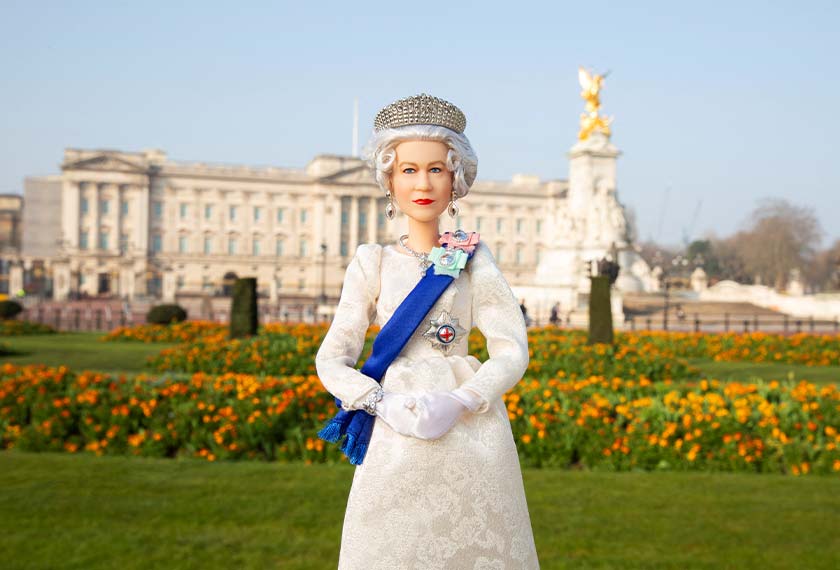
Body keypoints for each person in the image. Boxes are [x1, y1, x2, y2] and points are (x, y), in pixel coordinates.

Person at [315, 94, 540, 569]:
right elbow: (332, 358)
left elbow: (511, 348)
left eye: (436, 169)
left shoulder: (472, 259)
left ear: (455, 178)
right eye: (409, 170)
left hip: (470, 429)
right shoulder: (372, 262)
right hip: (396, 428)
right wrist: (381, 403)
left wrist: (464, 398)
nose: (423, 183)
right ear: (389, 180)